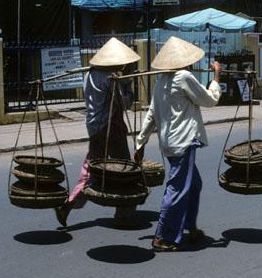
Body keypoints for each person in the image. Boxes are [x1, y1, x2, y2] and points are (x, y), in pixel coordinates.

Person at [134, 36, 221, 251]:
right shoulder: (184, 77)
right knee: (178, 187)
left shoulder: (161, 79)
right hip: (183, 142)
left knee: (194, 184)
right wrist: (217, 76)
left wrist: (140, 142)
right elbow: (210, 99)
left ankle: (189, 227)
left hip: (170, 143)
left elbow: (151, 114)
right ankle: (162, 236)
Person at [55, 37, 140, 228]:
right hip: (110, 128)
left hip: (94, 127)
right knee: (125, 168)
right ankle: (124, 212)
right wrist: (127, 86)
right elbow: (123, 103)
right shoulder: (111, 79)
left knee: (92, 168)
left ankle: (69, 203)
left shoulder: (90, 74)